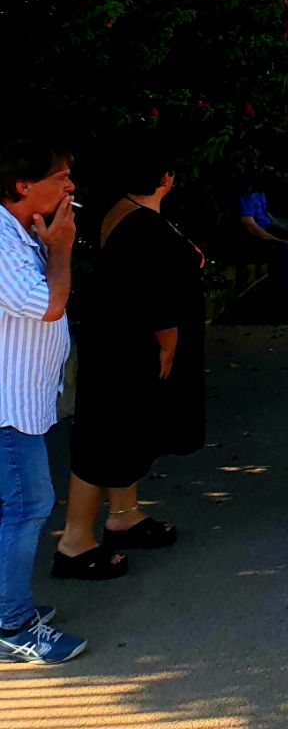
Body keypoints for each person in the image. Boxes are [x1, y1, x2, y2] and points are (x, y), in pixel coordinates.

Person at [57, 139, 204, 580]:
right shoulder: (146, 228)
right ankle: (74, 542)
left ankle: (124, 513)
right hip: (130, 346)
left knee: (124, 433)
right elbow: (156, 298)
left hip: (114, 339)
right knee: (104, 438)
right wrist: (168, 344)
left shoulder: (119, 209)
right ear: (165, 179)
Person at [0, 139, 86, 664]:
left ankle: (9, 606)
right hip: (8, 407)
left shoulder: (19, 231)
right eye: (60, 177)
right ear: (22, 186)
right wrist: (61, 248)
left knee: (21, 506)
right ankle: (13, 624)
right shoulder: (3, 241)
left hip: (23, 400)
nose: (69, 187)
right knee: (28, 505)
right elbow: (48, 306)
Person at [235, 184, 288, 312]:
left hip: (267, 231)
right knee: (283, 249)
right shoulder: (245, 194)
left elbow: (267, 218)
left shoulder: (260, 192)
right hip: (253, 239)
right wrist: (279, 240)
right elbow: (250, 226)